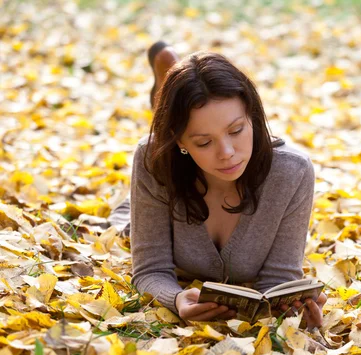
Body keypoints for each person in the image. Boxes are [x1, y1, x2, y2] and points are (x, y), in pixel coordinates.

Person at [107, 41, 327, 329]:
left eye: (236, 130)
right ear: (181, 142)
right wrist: (176, 300)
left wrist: (290, 307)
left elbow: (279, 279)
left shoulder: (292, 172)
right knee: (122, 224)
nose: (227, 152)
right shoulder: (152, 160)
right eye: (204, 142)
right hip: (171, 169)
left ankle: (168, 82)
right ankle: (167, 86)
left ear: (252, 117)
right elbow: (150, 269)